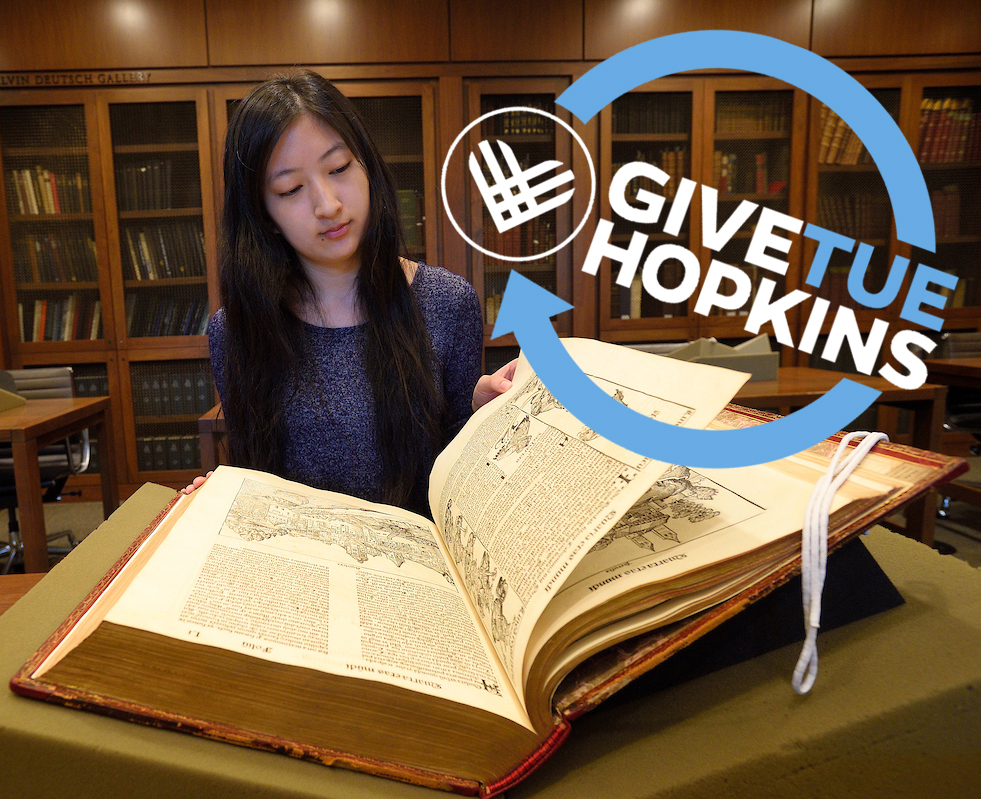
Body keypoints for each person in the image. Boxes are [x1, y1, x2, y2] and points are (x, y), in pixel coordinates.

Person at [191, 70, 514, 516]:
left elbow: (459, 470)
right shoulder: (237, 329)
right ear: (264, 215)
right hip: (301, 556)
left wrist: (481, 412)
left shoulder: (446, 302)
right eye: (291, 189)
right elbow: (255, 475)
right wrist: (221, 497)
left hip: (422, 555)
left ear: (367, 166)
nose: (328, 205)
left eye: (339, 168)